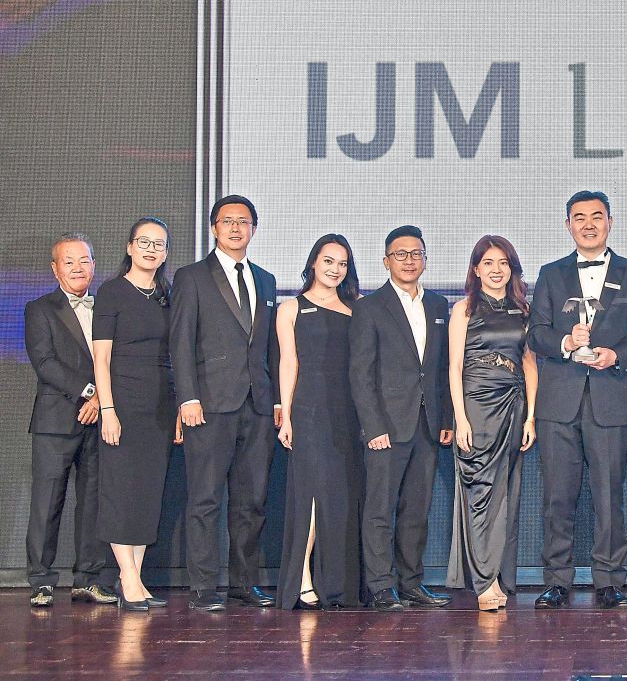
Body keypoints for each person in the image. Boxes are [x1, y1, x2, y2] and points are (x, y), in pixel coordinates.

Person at [527, 191, 627, 609]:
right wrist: (564, 341)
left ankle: (609, 581)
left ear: (610, 222)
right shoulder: (550, 274)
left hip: (611, 399)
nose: (588, 224)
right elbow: (536, 333)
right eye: (579, 217)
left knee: (608, 495)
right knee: (558, 497)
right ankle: (557, 580)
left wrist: (616, 354)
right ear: (568, 225)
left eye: (596, 217)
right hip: (559, 402)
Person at [170, 194, 280, 611]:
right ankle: (202, 585)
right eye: (227, 221)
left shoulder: (266, 280)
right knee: (205, 498)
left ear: (254, 228)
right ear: (214, 228)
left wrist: (274, 401)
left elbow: (269, 347)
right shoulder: (192, 276)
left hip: (257, 405)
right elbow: (180, 343)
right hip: (209, 404)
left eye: (244, 221)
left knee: (251, 502)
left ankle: (243, 583)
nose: (236, 228)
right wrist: (188, 397)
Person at [350, 225, 454, 611]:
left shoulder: (439, 306)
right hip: (386, 429)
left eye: (416, 254)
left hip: (427, 425)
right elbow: (360, 374)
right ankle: (380, 587)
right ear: (386, 261)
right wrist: (373, 427)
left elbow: (441, 369)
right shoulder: (369, 307)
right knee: (380, 510)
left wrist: (445, 419)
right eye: (400, 254)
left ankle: (411, 584)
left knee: (416, 509)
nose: (409, 260)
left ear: (425, 260)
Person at [23, 233, 116, 608]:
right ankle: (41, 581)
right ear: (55, 268)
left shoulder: (108, 306)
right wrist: (91, 392)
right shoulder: (39, 308)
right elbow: (44, 363)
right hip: (55, 419)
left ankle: (88, 579)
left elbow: (116, 362)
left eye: (85, 260)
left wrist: (100, 401)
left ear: (94, 265)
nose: (78, 268)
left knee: (93, 501)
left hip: (100, 420)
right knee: (48, 501)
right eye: (69, 261)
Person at [446, 236, 539, 611]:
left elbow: (529, 364)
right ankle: (483, 584)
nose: (496, 269)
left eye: (503, 262)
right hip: (476, 409)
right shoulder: (463, 309)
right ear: (475, 269)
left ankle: (499, 576)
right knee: (479, 494)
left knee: (506, 496)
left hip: (514, 408)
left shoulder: (523, 310)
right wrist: (460, 417)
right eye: (488, 263)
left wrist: (531, 416)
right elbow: (453, 367)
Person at [275, 235, 364, 611]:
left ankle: (336, 585)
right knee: (309, 494)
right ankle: (302, 578)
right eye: (328, 261)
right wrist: (286, 412)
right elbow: (289, 362)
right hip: (309, 410)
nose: (335, 269)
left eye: (342, 264)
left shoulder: (357, 308)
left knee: (341, 498)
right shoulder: (291, 308)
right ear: (313, 262)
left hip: (348, 412)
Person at [94, 217, 179, 612]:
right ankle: (127, 578)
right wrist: (108, 409)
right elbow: (102, 356)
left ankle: (138, 579)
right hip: (122, 401)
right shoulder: (111, 292)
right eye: (144, 242)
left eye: (159, 244)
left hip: (159, 404)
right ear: (129, 247)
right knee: (121, 490)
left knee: (148, 491)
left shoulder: (168, 295)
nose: (151, 250)